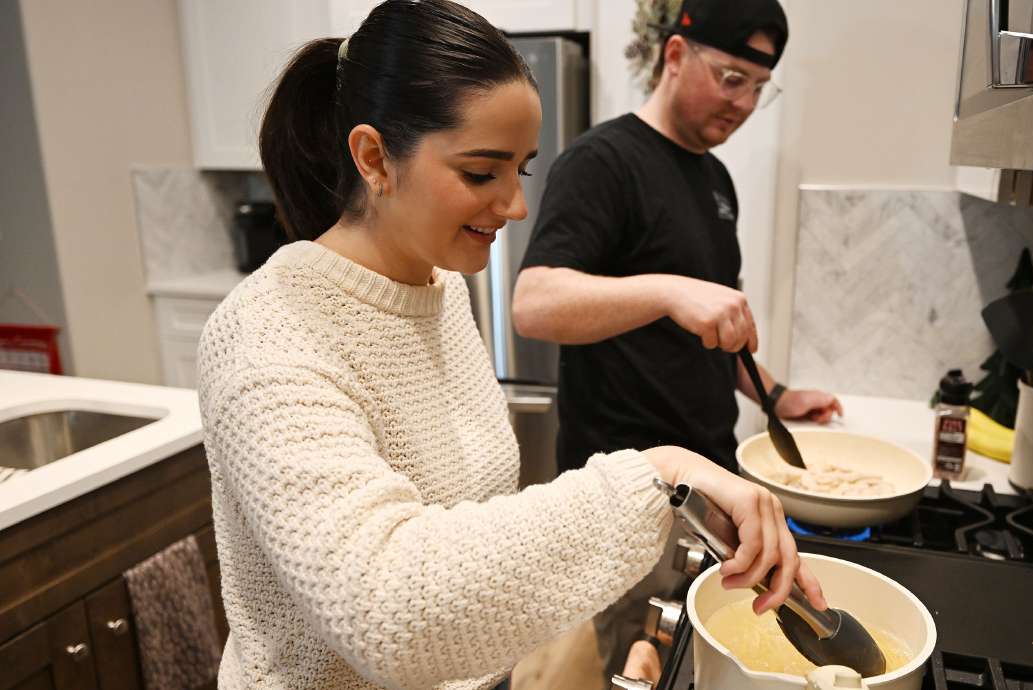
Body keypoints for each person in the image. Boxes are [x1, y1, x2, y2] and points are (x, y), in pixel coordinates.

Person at [195, 2, 826, 689]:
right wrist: (657, 474)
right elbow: (389, 611)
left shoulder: (439, 292)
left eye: (519, 171)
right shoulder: (267, 335)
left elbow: (462, 523)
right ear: (374, 158)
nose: (516, 206)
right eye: (480, 173)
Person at [512, 0, 844, 679]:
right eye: (730, 79)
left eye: (759, 86)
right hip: (628, 496)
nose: (746, 103)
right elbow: (533, 304)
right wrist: (667, 288)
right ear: (674, 55)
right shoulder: (602, 162)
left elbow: (712, 333)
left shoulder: (714, 179)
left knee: (686, 664)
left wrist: (776, 394)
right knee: (632, 665)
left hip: (709, 486)